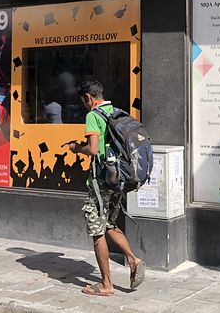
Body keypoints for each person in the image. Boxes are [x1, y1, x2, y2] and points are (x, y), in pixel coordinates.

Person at [66, 79, 144, 297]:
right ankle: (134, 259)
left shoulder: (93, 115)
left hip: (100, 181)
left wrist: (76, 148)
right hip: (117, 179)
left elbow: (92, 150)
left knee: (97, 231)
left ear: (88, 98)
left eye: (84, 101)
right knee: (109, 223)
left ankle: (106, 284)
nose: (84, 105)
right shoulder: (115, 111)